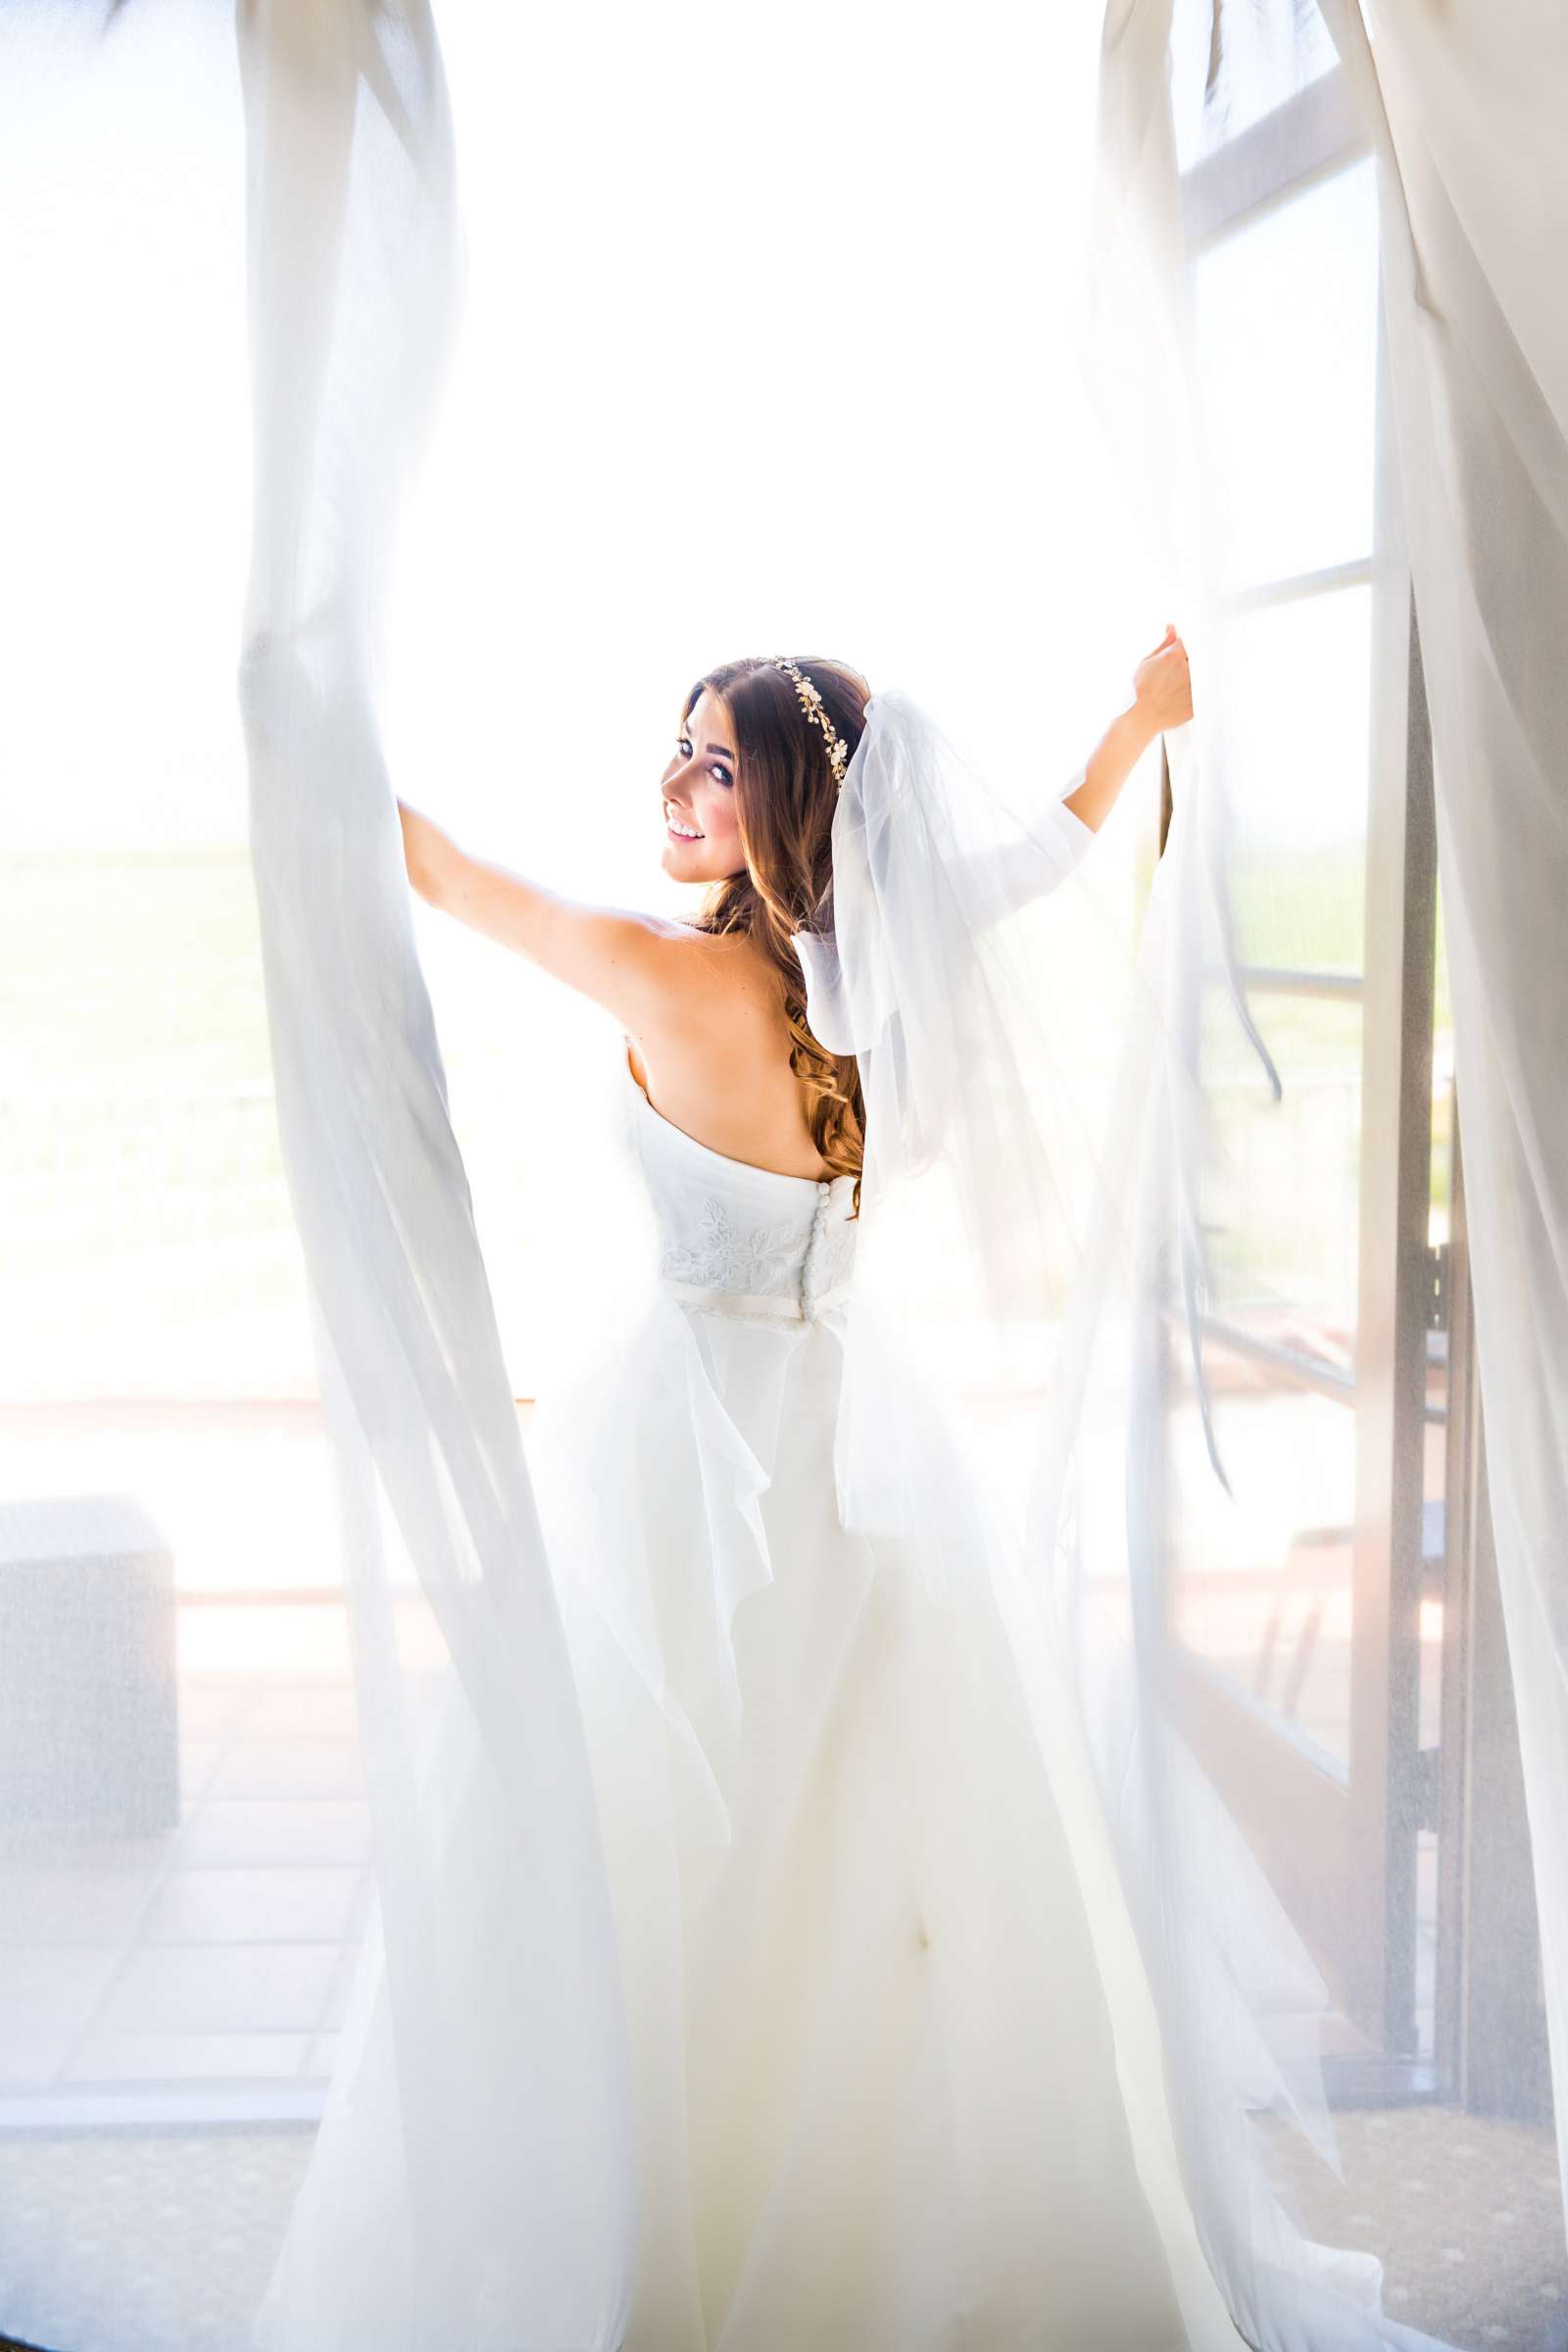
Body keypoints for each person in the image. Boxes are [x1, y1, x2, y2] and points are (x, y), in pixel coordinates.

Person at [390, 633, 1238, 2352]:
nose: (675, 783)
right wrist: (1141, 724)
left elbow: (442, 876)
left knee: (674, 1817)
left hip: (693, 1438)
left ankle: (684, 2220)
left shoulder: (667, 978)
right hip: (856, 1435)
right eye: (678, 749)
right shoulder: (878, 974)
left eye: (714, 764)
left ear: (784, 806)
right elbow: (1056, 843)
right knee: (860, 1825)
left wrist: (304, 715)